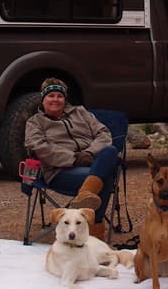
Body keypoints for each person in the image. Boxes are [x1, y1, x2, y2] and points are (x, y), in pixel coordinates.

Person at [24, 77, 119, 240]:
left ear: (65, 98)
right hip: (59, 171)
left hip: (91, 162)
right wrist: (74, 159)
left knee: (110, 150)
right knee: (106, 180)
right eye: (51, 95)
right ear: (43, 99)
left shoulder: (81, 113)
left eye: (59, 96)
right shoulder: (35, 122)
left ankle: (85, 195)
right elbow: (39, 148)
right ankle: (94, 233)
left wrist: (88, 154)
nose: (55, 99)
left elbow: (104, 134)